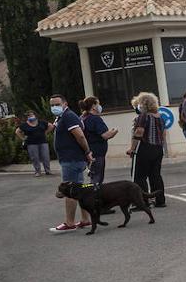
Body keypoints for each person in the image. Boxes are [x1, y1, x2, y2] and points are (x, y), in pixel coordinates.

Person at [46, 94, 94, 233]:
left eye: (57, 104)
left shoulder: (69, 116)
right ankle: (85, 220)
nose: (54, 107)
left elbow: (79, 135)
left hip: (72, 160)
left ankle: (70, 222)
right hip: (72, 159)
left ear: (65, 104)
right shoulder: (62, 117)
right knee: (80, 190)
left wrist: (87, 151)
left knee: (70, 191)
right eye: (52, 105)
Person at [126, 92, 167, 209]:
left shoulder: (143, 116)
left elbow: (139, 132)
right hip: (158, 148)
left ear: (142, 104)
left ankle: (142, 202)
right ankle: (160, 200)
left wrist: (132, 149)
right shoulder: (160, 117)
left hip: (144, 148)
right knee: (155, 175)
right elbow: (163, 134)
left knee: (139, 176)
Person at [80, 97, 117, 186]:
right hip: (97, 153)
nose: (99, 106)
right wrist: (115, 131)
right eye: (98, 104)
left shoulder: (83, 118)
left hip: (89, 151)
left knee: (94, 176)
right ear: (93, 106)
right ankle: (93, 195)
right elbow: (105, 135)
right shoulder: (95, 119)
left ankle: (91, 192)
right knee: (97, 179)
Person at [16, 110, 51, 177]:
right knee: (35, 158)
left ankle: (48, 171)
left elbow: (51, 126)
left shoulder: (41, 122)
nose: (30, 116)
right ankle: (37, 171)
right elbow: (17, 131)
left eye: (31, 115)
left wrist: (46, 132)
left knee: (46, 157)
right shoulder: (24, 125)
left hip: (43, 142)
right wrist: (23, 138)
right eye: (28, 115)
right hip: (31, 143)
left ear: (35, 115)